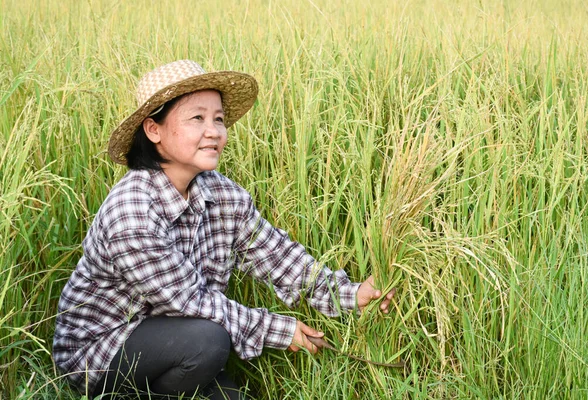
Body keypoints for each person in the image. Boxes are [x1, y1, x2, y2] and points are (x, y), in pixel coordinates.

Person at [53, 60, 396, 399]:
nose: (214, 131)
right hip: (100, 352)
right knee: (209, 342)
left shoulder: (221, 193)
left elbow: (276, 256)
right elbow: (190, 301)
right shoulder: (132, 210)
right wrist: (282, 329)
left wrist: (349, 295)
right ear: (153, 130)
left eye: (218, 119)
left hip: (176, 343)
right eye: (197, 118)